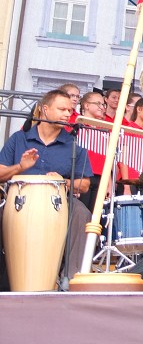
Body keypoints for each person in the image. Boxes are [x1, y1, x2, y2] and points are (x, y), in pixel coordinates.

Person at [0, 89, 93, 280]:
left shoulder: (73, 145)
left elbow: (84, 184)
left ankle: (72, 278)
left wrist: (64, 181)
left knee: (82, 214)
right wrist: (20, 167)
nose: (67, 114)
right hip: (19, 199)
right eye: (62, 109)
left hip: (59, 200)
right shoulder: (19, 139)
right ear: (44, 109)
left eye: (70, 110)